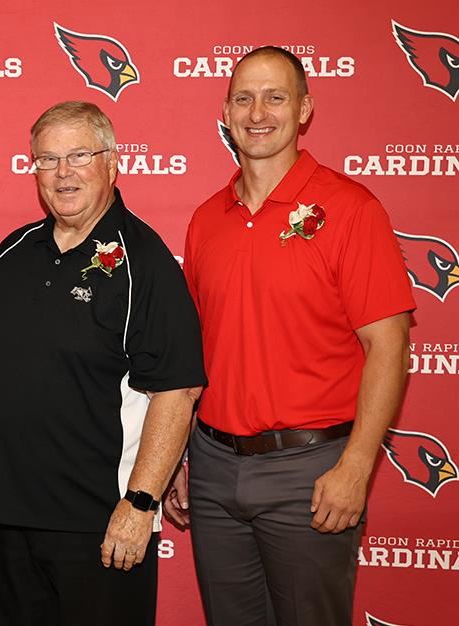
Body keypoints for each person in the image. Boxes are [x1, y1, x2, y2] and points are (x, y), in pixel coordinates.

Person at [166, 46, 414, 626]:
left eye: (275, 97)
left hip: (311, 471)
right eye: (244, 98)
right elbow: (194, 352)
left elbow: (390, 346)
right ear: (225, 112)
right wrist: (177, 454)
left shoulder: (352, 210)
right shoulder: (206, 219)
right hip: (212, 465)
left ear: (304, 108)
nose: (259, 112)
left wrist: (356, 466)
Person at [0, 101, 206, 625]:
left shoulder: (146, 263)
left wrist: (139, 505)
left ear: (113, 162)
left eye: (78, 156)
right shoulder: (11, 252)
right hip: (11, 518)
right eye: (47, 160)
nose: (63, 172)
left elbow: (176, 392)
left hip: (103, 524)